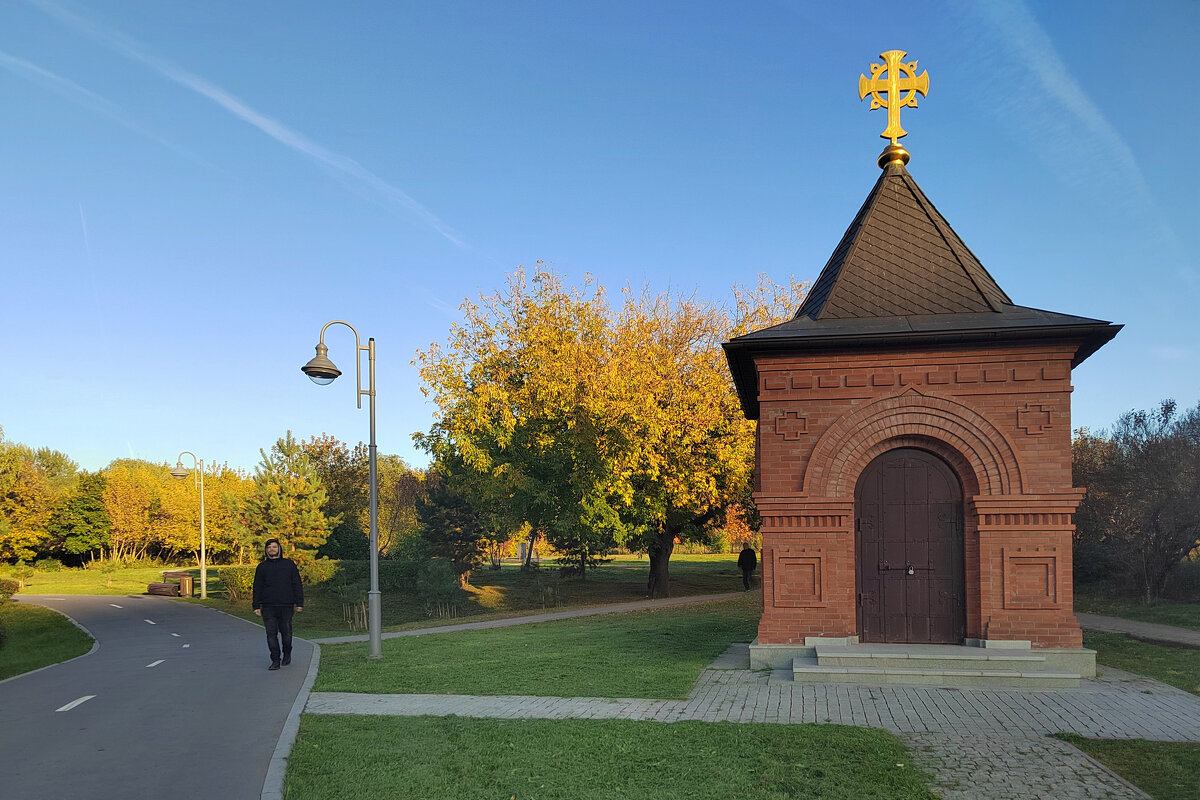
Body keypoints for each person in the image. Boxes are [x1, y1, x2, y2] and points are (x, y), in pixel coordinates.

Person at [252, 538, 303, 670]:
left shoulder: (289, 565)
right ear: (266, 550)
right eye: (269, 547)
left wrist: (299, 603)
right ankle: (275, 660)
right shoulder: (262, 567)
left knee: (286, 633)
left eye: (274, 547)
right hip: (268, 606)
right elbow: (257, 587)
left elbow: (296, 584)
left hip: (286, 605)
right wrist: (256, 605)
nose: (272, 549)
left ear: (279, 548)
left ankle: (287, 653)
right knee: (271, 634)